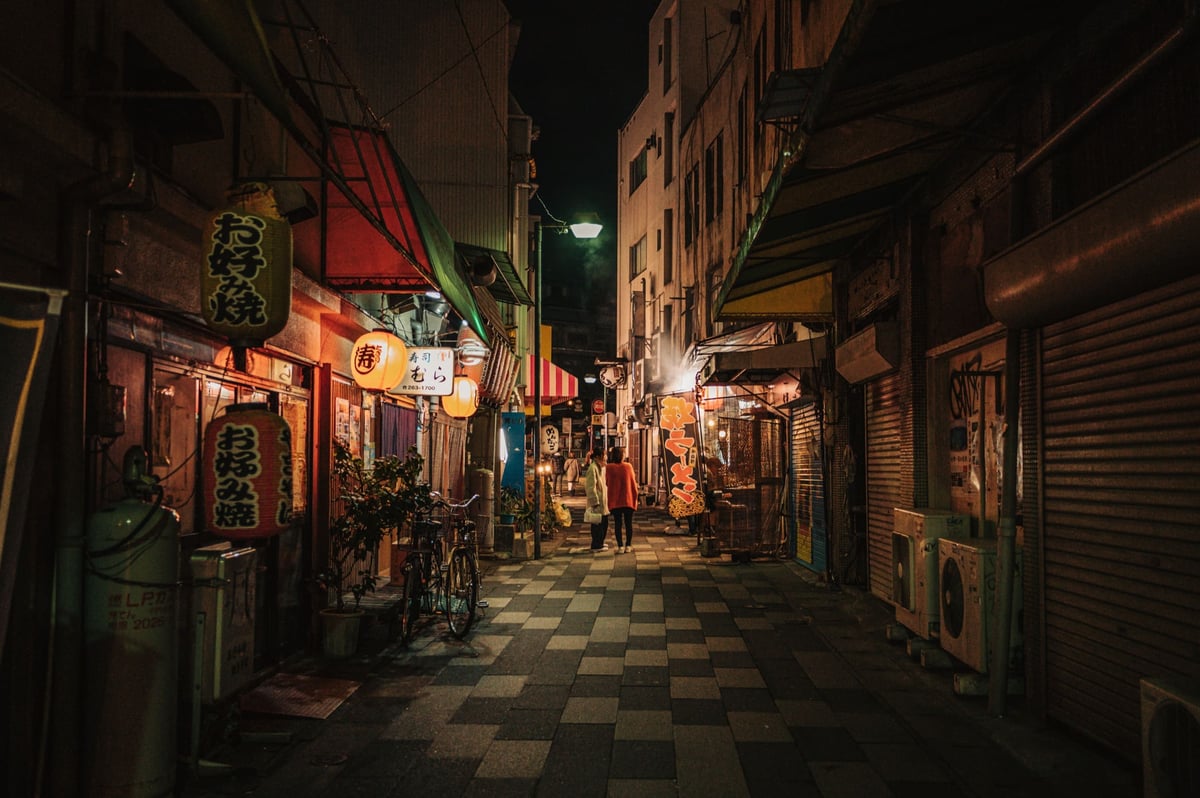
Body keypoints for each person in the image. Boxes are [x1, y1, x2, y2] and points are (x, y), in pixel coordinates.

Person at [605, 447, 639, 554]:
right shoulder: (628, 466)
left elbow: (606, 483)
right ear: (622, 455)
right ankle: (628, 545)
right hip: (628, 499)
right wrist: (635, 497)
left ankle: (620, 546)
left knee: (617, 524)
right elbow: (633, 483)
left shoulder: (608, 468)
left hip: (615, 501)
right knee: (628, 524)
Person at [583, 446, 609, 553]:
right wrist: (594, 501)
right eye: (604, 454)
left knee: (603, 522)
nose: (606, 457)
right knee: (597, 523)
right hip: (597, 502)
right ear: (598, 456)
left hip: (603, 501)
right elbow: (590, 486)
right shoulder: (593, 468)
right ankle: (596, 544)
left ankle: (600, 542)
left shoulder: (600, 467)